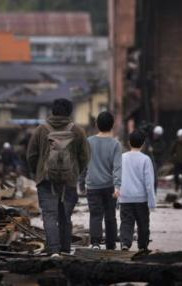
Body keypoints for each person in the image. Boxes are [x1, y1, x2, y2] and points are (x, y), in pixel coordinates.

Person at [27, 98, 90, 257]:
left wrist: (39, 172)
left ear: (52, 111)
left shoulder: (41, 130)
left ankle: (54, 251)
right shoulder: (78, 131)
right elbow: (85, 157)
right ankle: (65, 249)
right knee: (65, 216)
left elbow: (31, 156)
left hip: (46, 181)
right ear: (69, 112)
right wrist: (74, 173)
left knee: (49, 215)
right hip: (68, 181)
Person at [83, 111, 122, 250]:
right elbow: (117, 167)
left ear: (96, 124)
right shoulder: (115, 144)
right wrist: (118, 186)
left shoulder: (88, 142)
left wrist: (82, 182)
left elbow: (83, 163)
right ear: (112, 125)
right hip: (110, 186)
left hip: (92, 185)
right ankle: (111, 245)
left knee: (95, 215)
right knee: (110, 216)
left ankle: (95, 243)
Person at [119, 130, 155, 252]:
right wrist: (152, 202)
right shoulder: (145, 159)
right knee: (143, 223)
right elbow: (149, 183)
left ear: (129, 143)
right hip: (141, 198)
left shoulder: (122, 158)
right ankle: (142, 246)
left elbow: (116, 176)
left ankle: (125, 243)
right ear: (143, 143)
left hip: (125, 197)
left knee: (126, 222)